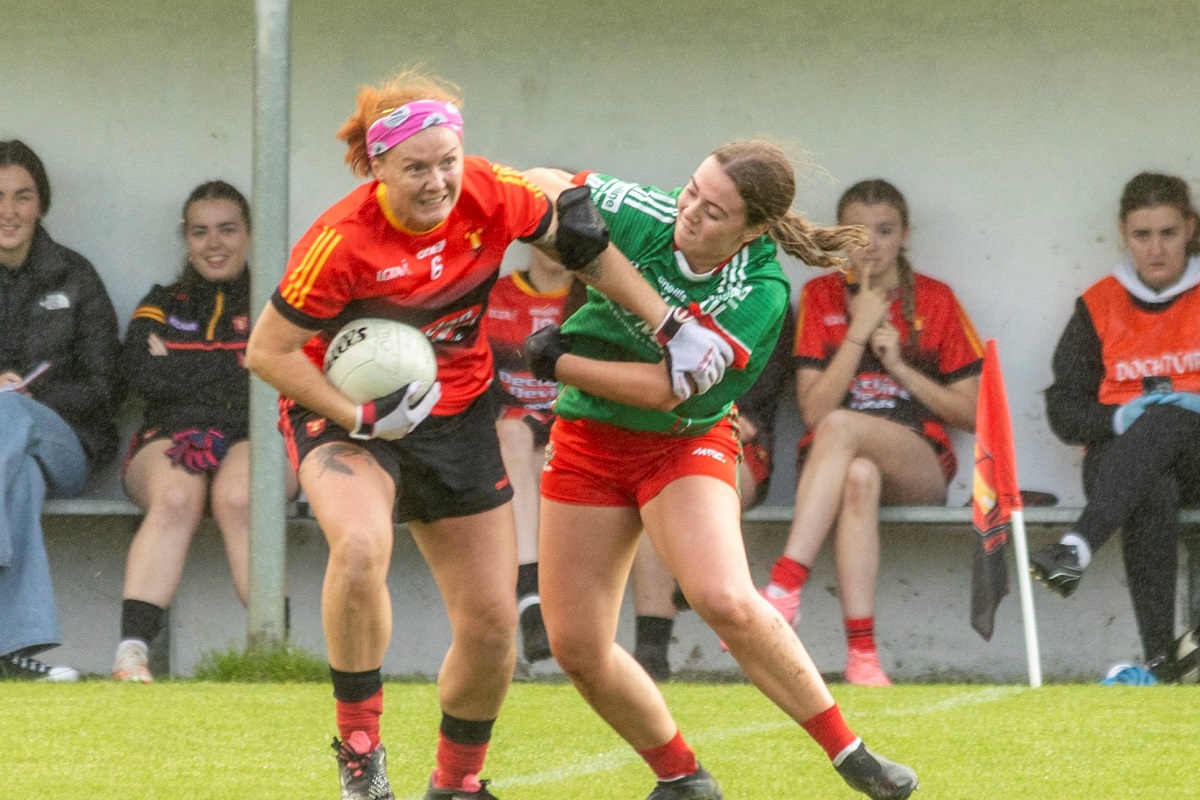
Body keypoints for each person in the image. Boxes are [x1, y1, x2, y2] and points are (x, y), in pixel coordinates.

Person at [244, 69, 730, 800]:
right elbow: (266, 353)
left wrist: (670, 324)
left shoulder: (487, 191)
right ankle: (361, 752)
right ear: (377, 168)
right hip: (345, 411)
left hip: (457, 408)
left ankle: (456, 785)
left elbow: (582, 243)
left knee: (494, 622)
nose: (439, 180)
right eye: (416, 168)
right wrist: (361, 417)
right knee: (361, 545)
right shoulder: (340, 241)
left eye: (448, 160)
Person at [522, 145, 918, 800]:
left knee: (724, 598)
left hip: (681, 441)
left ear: (753, 230)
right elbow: (528, 182)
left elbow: (665, 393)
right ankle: (681, 777)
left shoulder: (759, 293)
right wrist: (563, 202)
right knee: (576, 649)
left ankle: (851, 754)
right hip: (589, 439)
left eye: (715, 212)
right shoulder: (647, 210)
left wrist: (557, 363)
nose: (690, 215)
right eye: (692, 193)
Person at [757, 179, 982, 687]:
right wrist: (858, 332)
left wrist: (900, 367)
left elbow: (972, 413)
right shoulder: (819, 296)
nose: (872, 244)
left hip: (918, 461)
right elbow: (813, 413)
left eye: (885, 231)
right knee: (857, 473)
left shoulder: (937, 300)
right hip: (834, 463)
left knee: (843, 429)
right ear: (841, 238)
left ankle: (785, 587)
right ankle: (863, 656)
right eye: (858, 232)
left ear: (905, 235)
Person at [112, 181, 297, 683]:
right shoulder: (160, 301)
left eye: (227, 230)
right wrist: (235, 369)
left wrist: (184, 370)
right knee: (175, 495)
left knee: (241, 496)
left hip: (256, 436)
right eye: (200, 232)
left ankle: (273, 655)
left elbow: (285, 379)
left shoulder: (277, 302)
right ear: (186, 239)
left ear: (251, 235)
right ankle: (131, 657)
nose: (214, 244)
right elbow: (137, 374)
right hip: (168, 437)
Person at [1035, 171, 1200, 682]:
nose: (1155, 249)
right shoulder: (1098, 304)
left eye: (1168, 233)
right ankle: (1158, 662)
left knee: (1172, 413)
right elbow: (1064, 412)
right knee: (1149, 481)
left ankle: (1077, 545)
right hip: (1119, 465)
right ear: (1123, 233)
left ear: (1191, 229)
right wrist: (1117, 416)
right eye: (1142, 235)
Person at [0, 139, 121, 681]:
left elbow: (105, 384)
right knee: (16, 476)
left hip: (66, 446)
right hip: (13, 462)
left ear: (41, 204)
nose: (10, 211)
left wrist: (31, 395)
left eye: (23, 196)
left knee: (10, 414)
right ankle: (16, 650)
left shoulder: (75, 275)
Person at [632, 305, 798, 681]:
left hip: (739, 444)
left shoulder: (767, 297)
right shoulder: (662, 292)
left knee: (684, 488)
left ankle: (691, 575)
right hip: (665, 435)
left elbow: (753, 413)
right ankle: (651, 652)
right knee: (651, 487)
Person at [484, 245, 573, 664]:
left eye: (565, 232)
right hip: (509, 439)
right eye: (548, 230)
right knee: (513, 436)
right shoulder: (496, 294)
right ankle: (530, 599)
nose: (556, 243)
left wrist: (548, 420)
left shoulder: (594, 297)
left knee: (531, 455)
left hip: (571, 435)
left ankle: (531, 596)